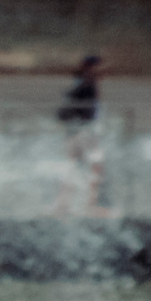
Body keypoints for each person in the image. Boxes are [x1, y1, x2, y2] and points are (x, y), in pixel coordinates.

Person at [53, 53, 105, 216]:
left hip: (77, 131)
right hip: (84, 131)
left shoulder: (79, 83)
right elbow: (84, 109)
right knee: (93, 167)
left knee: (77, 167)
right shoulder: (85, 84)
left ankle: (66, 203)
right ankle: (87, 204)